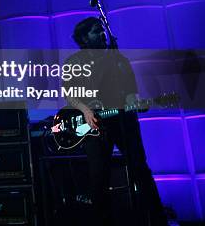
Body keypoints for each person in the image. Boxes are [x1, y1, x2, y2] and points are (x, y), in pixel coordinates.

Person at [66, 17, 167, 226]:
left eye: (102, 30)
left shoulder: (119, 59)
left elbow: (131, 93)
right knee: (98, 177)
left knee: (140, 169)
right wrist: (85, 110)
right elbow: (70, 93)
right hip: (95, 125)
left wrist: (135, 103)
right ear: (84, 38)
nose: (102, 33)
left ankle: (158, 220)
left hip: (123, 120)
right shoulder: (74, 62)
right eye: (96, 31)